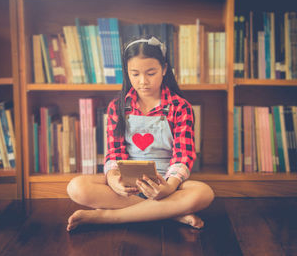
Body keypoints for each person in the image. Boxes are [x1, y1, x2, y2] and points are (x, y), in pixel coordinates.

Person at [66, 36, 214, 231]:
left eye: (151, 73)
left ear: (164, 69)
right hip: (129, 184)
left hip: (167, 183)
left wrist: (168, 187)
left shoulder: (180, 107)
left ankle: (109, 216)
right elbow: (114, 153)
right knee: (76, 187)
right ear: (127, 73)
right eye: (134, 74)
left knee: (203, 193)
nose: (142, 81)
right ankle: (172, 214)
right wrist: (113, 180)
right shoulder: (117, 107)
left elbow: (183, 156)